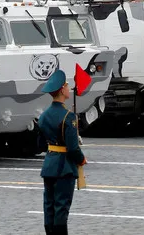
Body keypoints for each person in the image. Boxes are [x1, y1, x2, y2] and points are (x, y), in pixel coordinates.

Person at [37, 69, 86, 235]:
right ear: (61, 91)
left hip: (49, 166)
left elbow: (40, 145)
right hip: (65, 168)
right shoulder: (69, 116)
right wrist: (81, 159)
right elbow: (72, 149)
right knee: (62, 208)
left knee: (49, 206)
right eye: (66, 85)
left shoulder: (43, 116)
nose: (69, 88)